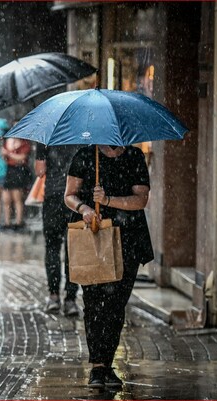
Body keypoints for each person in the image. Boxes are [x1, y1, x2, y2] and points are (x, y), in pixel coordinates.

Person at [64, 144, 153, 389]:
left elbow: (141, 199)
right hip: (93, 238)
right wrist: (85, 208)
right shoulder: (85, 155)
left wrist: (108, 200)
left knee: (115, 305)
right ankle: (97, 367)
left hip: (128, 241)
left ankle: (108, 362)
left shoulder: (134, 156)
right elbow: (69, 195)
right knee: (93, 302)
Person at [35, 143, 82, 316]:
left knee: (52, 247)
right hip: (76, 200)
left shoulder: (47, 137)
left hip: (53, 198)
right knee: (73, 250)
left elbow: (40, 171)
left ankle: (54, 296)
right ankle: (70, 299)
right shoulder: (83, 134)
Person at [1, 128, 32, 231]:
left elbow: (22, 158)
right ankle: (7, 222)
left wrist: (9, 154)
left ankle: (19, 222)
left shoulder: (24, 143)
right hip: (9, 170)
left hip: (19, 171)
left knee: (17, 198)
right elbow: (5, 157)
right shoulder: (8, 141)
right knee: (6, 198)